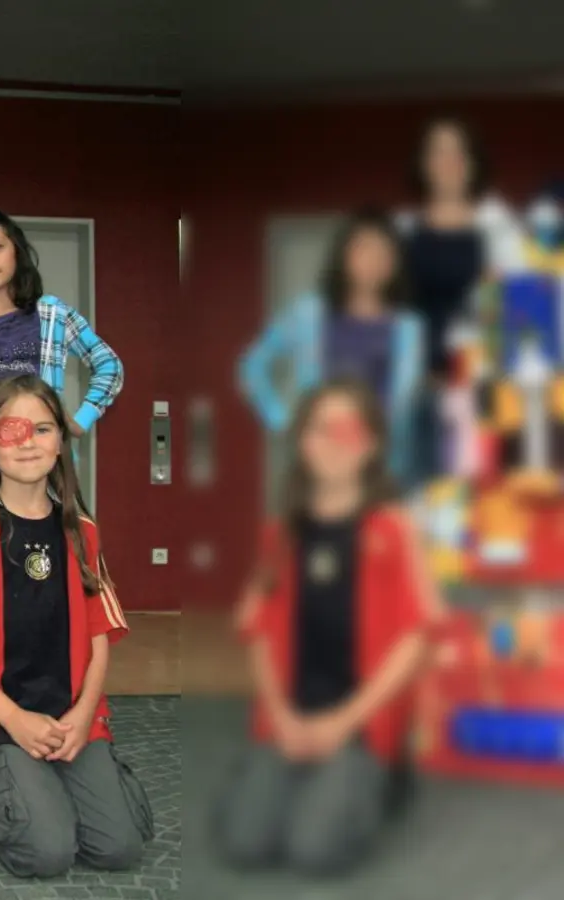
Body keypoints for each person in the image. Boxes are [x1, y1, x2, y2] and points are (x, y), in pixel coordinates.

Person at [0, 375, 151, 878]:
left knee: (119, 848)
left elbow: (100, 638)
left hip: (70, 718)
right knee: (47, 854)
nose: (27, 443)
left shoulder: (81, 531)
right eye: (11, 430)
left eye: (42, 429)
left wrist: (83, 716)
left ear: (61, 440)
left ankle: (52, 779)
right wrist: (14, 720)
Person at [219, 379, 442, 875]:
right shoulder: (282, 533)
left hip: (360, 722)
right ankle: (306, 776)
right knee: (244, 842)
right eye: (322, 429)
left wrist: (343, 724)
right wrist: (279, 716)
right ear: (302, 440)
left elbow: (415, 637)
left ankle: (384, 780)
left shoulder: (393, 529)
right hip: (289, 718)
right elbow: (256, 629)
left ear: (372, 446)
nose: (335, 443)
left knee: (312, 851)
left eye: (350, 431)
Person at [238, 211, 426, 480]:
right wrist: (286, 422)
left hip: (380, 466)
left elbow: (406, 413)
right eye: (363, 249)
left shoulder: (408, 328)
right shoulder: (308, 315)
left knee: (378, 523)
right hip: (319, 463)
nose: (373, 261)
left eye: (385, 253)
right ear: (343, 255)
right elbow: (252, 367)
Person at [0, 210, 124, 476]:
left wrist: (82, 420)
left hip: (45, 464)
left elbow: (109, 365)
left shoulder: (52, 314)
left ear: (17, 252)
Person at [397, 117, 522, 480]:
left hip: (484, 395)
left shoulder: (500, 229)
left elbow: (519, 311)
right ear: (422, 163)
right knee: (419, 504)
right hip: (419, 396)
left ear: (473, 161)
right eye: (438, 150)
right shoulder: (403, 232)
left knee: (483, 506)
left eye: (458, 151)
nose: (448, 159)